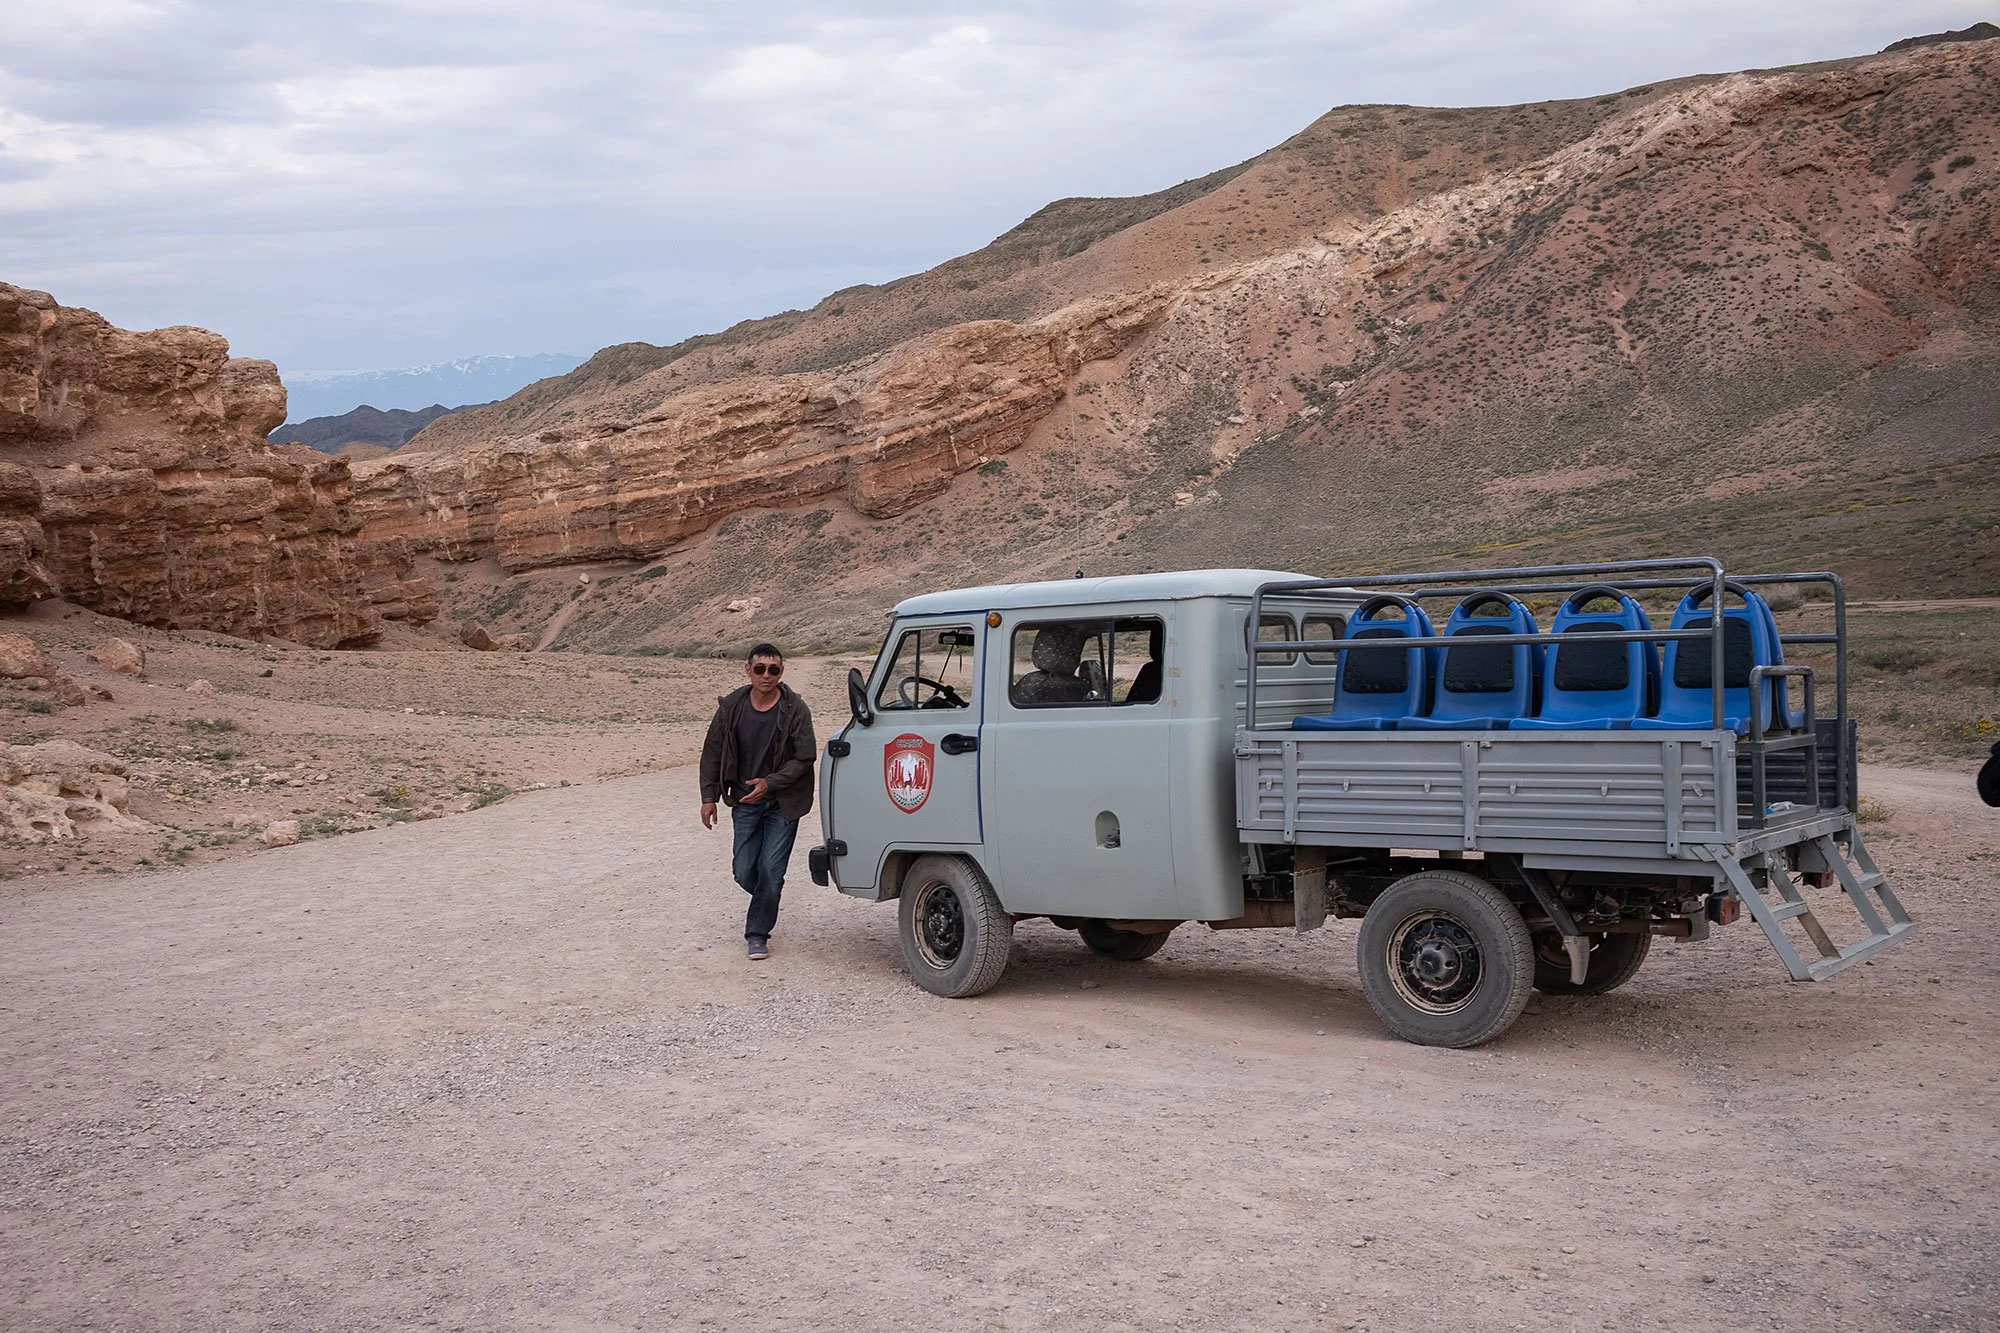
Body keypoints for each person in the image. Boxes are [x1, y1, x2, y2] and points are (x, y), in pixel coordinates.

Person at [699, 643, 816, 960]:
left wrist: (770, 783)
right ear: (748, 670)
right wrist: (709, 797)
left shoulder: (795, 709)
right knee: (743, 870)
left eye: (774, 669)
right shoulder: (731, 708)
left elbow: (805, 757)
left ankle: (757, 934)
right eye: (760, 669)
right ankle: (768, 896)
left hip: (783, 803)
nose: (767, 675)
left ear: (781, 672)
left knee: (771, 871)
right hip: (745, 801)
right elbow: (712, 753)